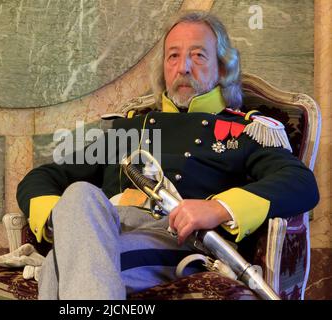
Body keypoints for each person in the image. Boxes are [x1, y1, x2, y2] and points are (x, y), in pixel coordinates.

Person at [16, 11, 319, 300]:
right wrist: (68, 222)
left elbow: (300, 183)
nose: (183, 67)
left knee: (61, 265)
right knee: (79, 194)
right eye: (173, 56)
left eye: (198, 55)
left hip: (176, 239)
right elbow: (42, 177)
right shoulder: (128, 127)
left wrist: (217, 208)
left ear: (223, 68)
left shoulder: (244, 130)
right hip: (106, 226)